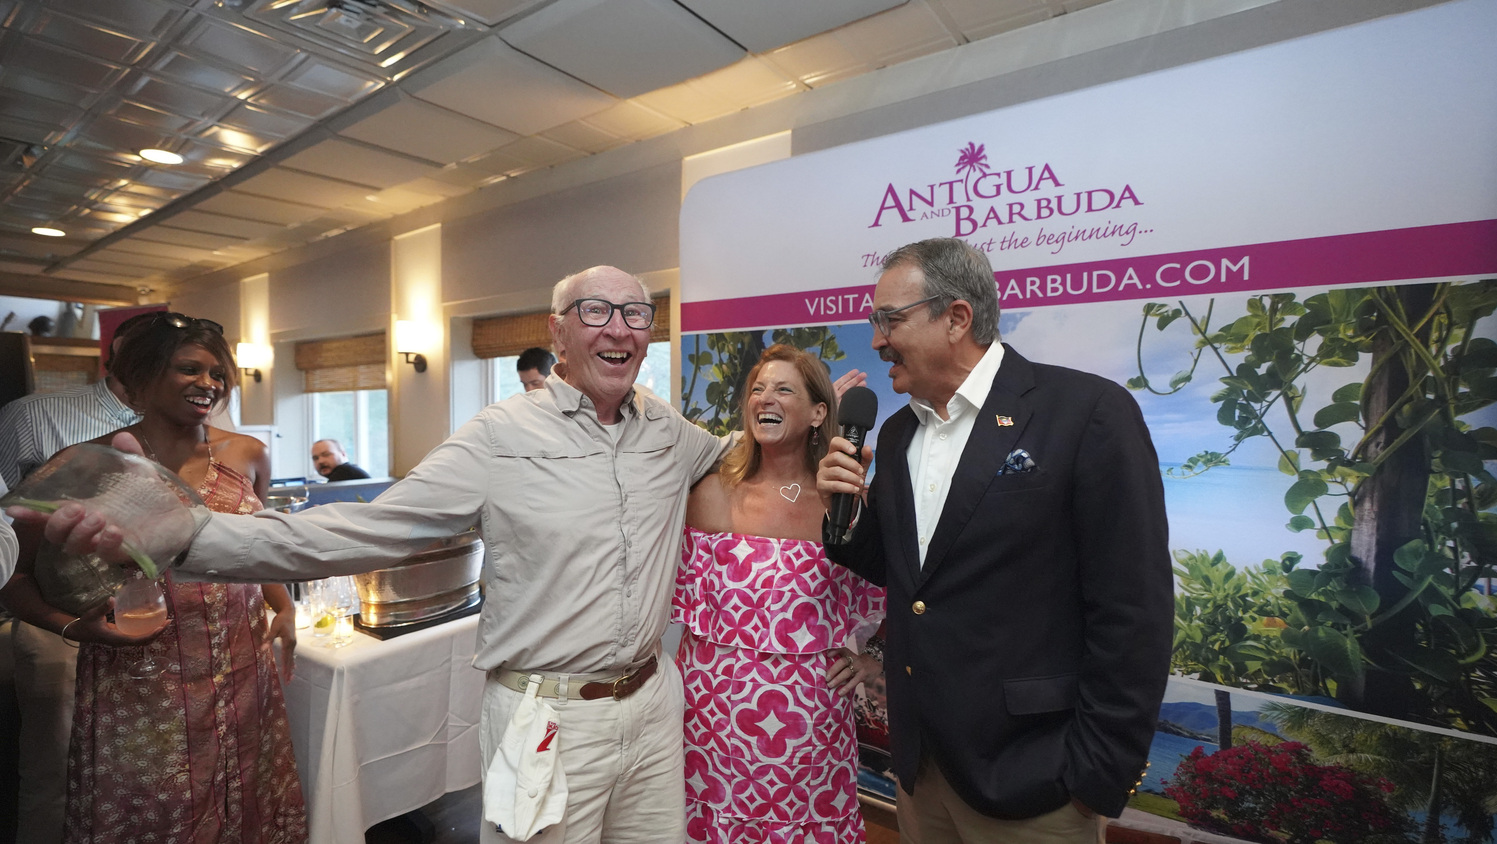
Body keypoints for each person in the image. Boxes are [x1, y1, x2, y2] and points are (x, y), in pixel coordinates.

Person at [15, 266, 730, 844]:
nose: (619, 328)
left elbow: (743, 467)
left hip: (652, 700)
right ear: (558, 334)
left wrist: (818, 440)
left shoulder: (665, 429)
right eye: (596, 311)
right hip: (546, 716)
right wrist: (186, 536)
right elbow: (360, 530)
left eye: (637, 314)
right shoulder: (499, 436)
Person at [816, 237, 1172, 843]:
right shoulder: (899, 433)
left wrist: (1095, 776)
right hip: (920, 770)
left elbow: (1133, 608)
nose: (876, 340)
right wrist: (842, 512)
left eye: (889, 320)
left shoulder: (1086, 412)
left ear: (956, 317)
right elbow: (905, 574)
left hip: (1034, 781)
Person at [0, 313, 307, 843]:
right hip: (140, 681)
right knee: (155, 812)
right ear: (140, 376)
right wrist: (74, 627)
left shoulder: (247, 454)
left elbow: (257, 545)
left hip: (239, 667)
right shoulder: (87, 464)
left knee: (248, 799)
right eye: (189, 368)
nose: (208, 384)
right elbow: (15, 577)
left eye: (218, 373)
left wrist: (284, 605)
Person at [674, 345, 885, 843]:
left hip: (810, 726)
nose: (764, 397)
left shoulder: (847, 501)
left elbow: (899, 588)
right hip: (711, 725)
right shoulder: (710, 492)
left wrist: (873, 656)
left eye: (783, 389)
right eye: (758, 389)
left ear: (818, 413)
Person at [0, 311, 152, 844]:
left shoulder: (195, 434)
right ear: (122, 354)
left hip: (151, 631)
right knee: (55, 772)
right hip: (57, 624)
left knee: (141, 771)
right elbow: (7, 527)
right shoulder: (36, 416)